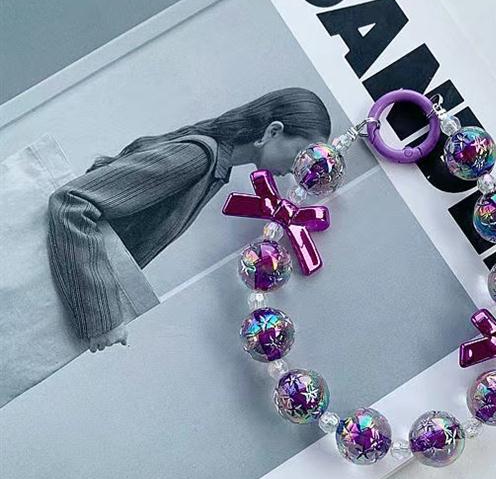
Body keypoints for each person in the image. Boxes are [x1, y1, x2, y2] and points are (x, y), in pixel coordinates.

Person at [48, 87, 331, 352]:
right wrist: (102, 318)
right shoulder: (198, 158)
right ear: (273, 131)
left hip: (60, 288)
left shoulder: (212, 168)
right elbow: (73, 202)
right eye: (300, 155)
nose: (297, 170)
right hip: (55, 286)